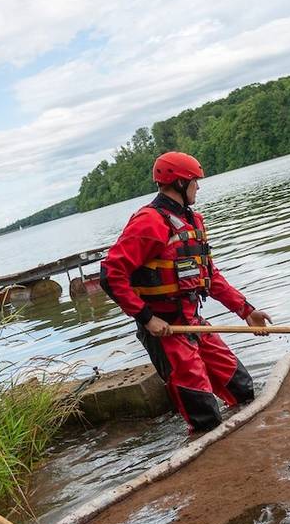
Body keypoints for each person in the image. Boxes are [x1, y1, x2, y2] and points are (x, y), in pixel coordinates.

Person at [100, 151, 272, 432]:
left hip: (193, 323)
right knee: (206, 419)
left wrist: (247, 310)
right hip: (165, 330)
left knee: (243, 390)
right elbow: (111, 274)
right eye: (195, 181)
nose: (199, 187)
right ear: (180, 182)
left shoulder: (194, 222)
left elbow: (211, 276)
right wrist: (147, 318)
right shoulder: (149, 223)